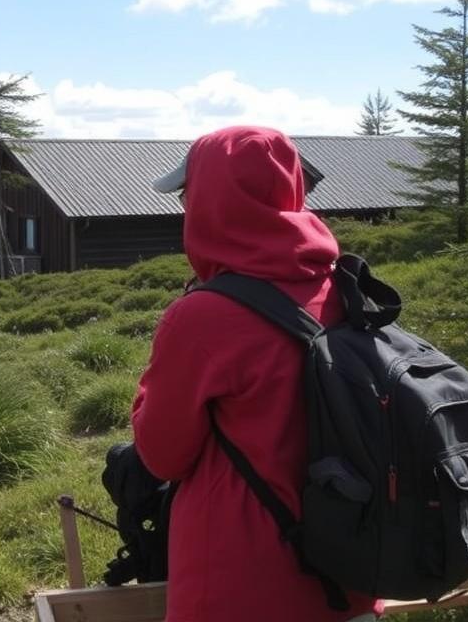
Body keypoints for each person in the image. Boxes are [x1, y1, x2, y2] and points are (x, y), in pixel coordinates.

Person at [132, 126, 379, 622]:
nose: (185, 206)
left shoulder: (202, 316)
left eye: (188, 193)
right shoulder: (350, 290)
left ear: (214, 202)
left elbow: (162, 455)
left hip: (237, 589)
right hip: (352, 579)